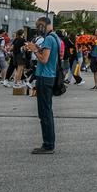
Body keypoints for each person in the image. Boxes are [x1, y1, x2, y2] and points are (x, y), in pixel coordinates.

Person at [25, 17, 60, 154]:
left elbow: (44, 59)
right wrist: (38, 48)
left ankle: (48, 144)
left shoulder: (49, 39)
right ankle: (49, 143)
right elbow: (48, 55)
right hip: (49, 77)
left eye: (38, 26)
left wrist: (34, 50)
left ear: (43, 25)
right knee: (47, 111)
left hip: (45, 77)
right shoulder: (54, 37)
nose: (37, 28)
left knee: (44, 112)